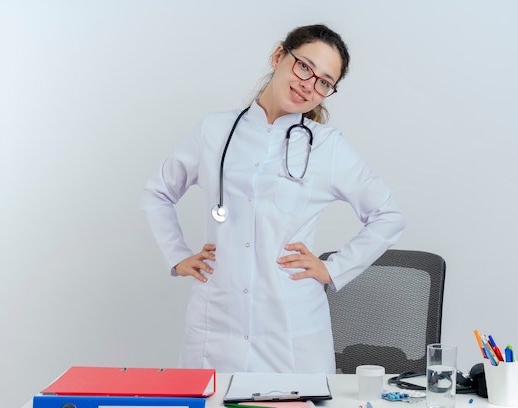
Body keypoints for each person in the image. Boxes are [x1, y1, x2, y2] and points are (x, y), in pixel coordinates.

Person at [141, 23, 405, 374]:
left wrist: (332, 268)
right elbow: (157, 192)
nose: (308, 84)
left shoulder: (326, 146)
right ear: (279, 55)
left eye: (324, 82)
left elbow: (388, 215)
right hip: (217, 326)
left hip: (291, 332)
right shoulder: (214, 130)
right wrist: (176, 255)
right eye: (304, 66)